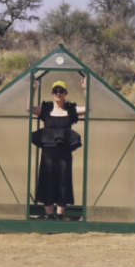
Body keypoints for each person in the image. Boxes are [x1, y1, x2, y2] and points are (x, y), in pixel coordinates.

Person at [30, 78, 86, 220]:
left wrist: (86, 89)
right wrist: (33, 89)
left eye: (61, 91)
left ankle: (59, 217)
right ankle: (50, 216)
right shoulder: (46, 109)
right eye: (55, 91)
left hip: (64, 154)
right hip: (47, 155)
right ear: (52, 93)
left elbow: (89, 109)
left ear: (65, 93)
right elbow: (29, 109)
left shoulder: (70, 110)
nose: (58, 93)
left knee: (63, 182)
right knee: (47, 181)